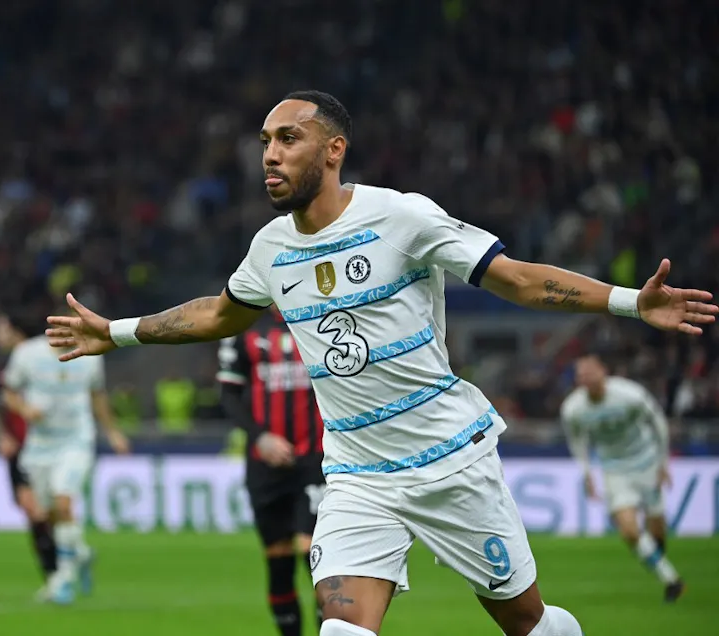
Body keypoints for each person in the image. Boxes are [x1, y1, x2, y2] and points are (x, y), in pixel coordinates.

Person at [43, 91, 717, 635]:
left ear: (333, 150)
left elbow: (513, 279)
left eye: (287, 140)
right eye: (264, 145)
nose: (270, 157)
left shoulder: (400, 218)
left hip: (450, 461)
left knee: (526, 621)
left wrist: (629, 301)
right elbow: (221, 314)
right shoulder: (270, 248)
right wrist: (119, 332)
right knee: (340, 631)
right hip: (358, 476)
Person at [3, 306, 131, 605]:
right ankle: (82, 554)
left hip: (75, 441)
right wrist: (24, 410)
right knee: (48, 515)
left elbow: (97, 396)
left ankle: (63, 579)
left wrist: (113, 432)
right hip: (40, 447)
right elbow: (8, 391)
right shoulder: (26, 354)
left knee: (64, 502)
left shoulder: (89, 356)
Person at [218, 306, 326, 635]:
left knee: (314, 553)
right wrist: (260, 438)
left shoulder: (320, 320)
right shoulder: (243, 327)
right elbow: (229, 395)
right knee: (277, 561)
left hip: (316, 460)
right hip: (265, 466)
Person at [560, 354, 684, 602]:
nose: (586, 378)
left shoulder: (629, 394)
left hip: (646, 462)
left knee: (657, 531)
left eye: (590, 372)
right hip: (615, 470)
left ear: (603, 371)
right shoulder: (573, 409)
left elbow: (657, 421)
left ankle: (658, 559)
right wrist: (586, 473)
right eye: (580, 375)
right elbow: (577, 441)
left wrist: (663, 462)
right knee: (628, 530)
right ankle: (671, 580)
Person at [0, 312, 56, 599]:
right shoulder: (6, 369)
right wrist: (2, 435)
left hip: (40, 447)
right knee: (33, 512)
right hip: (17, 448)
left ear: (16, 332)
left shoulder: (37, 362)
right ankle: (64, 565)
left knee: (37, 510)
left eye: (1, 328)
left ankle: (57, 575)